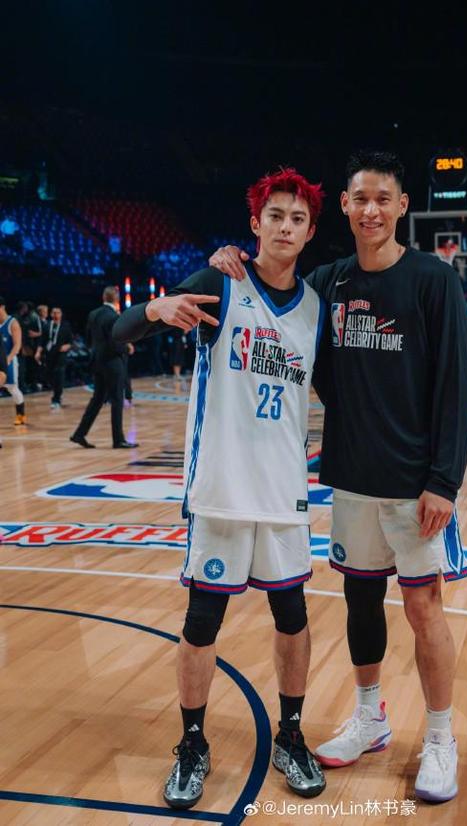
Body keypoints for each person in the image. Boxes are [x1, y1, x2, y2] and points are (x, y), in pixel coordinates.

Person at [210, 150, 467, 803]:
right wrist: (230, 258)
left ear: (402, 206)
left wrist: (444, 480)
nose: (371, 210)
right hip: (352, 476)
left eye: (383, 198)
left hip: (416, 483)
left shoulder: (433, 281)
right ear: (347, 207)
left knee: (424, 607)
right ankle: (369, 717)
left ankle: (441, 738)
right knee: (360, 601)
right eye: (360, 199)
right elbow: (275, 289)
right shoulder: (328, 282)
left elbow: (454, 386)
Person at [113, 168, 328, 808]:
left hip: (283, 494)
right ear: (255, 223)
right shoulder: (220, 281)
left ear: (310, 232)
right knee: (202, 621)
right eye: (275, 216)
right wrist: (154, 308)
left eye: (297, 219)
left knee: (293, 615)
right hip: (221, 489)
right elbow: (121, 334)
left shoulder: (316, 307)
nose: (285, 227)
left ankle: (291, 735)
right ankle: (192, 744)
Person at [70, 287, 138, 449]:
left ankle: (79, 434)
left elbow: (88, 338)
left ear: (103, 297)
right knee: (117, 400)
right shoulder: (114, 316)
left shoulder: (93, 314)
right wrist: (127, 348)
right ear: (117, 298)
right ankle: (118, 439)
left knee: (97, 399)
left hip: (97, 361)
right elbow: (115, 341)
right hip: (112, 362)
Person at [35, 307, 73, 409]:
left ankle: (56, 398)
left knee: (59, 375)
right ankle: (56, 392)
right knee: (49, 375)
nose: (56, 315)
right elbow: (42, 341)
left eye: (58, 313)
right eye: (54, 313)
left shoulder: (66, 326)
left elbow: (70, 341)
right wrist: (38, 352)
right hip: (49, 354)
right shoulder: (47, 326)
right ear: (51, 314)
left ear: (61, 314)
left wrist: (67, 346)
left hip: (60, 355)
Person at [0, 297, 28, 425]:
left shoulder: (12, 323)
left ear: (2, 307)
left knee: (12, 388)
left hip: (9, 361)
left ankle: (20, 414)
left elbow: (17, 345)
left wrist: (8, 360)